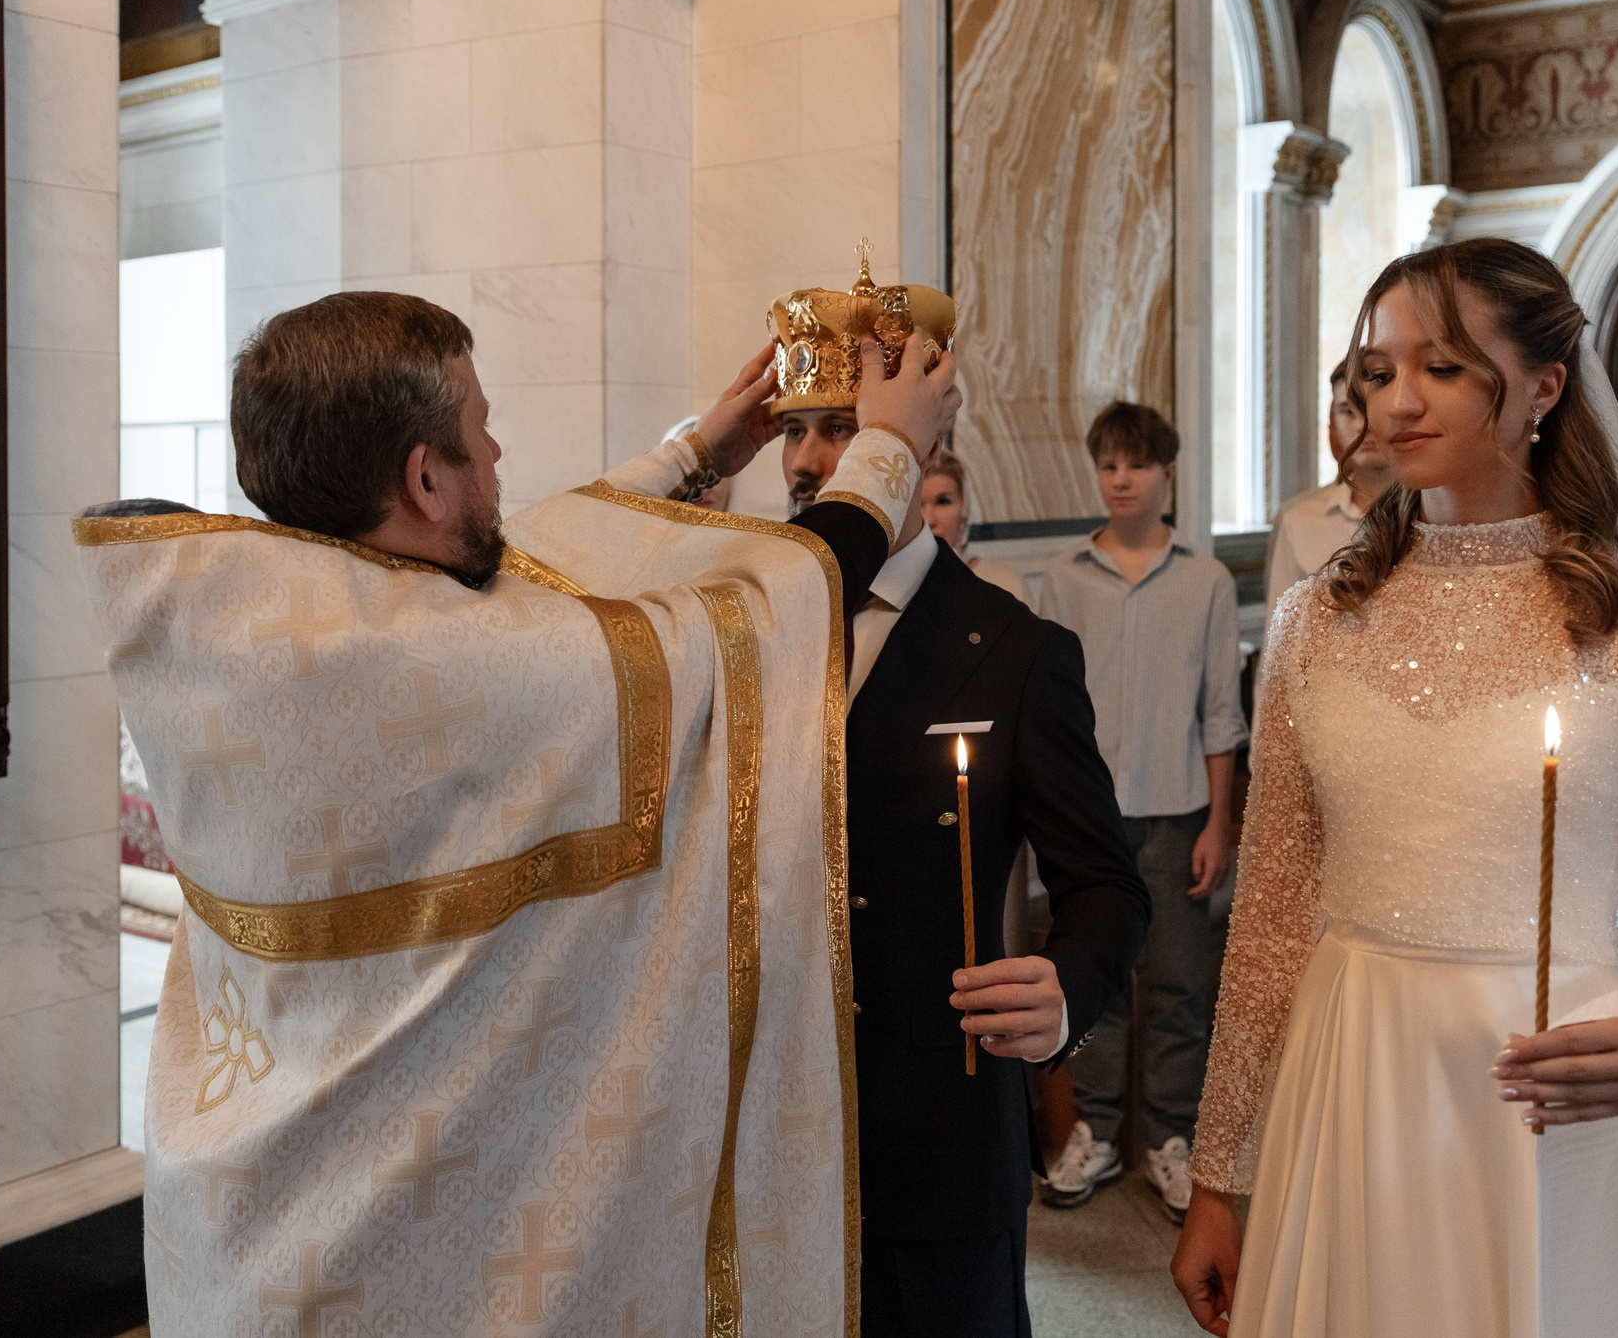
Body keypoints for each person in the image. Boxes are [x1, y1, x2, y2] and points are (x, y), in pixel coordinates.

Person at [78, 290, 960, 1338]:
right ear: (422, 475)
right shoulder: (478, 670)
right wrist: (891, 449)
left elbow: (531, 542)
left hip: (246, 1235)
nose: (498, 453)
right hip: (405, 1259)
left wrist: (696, 451)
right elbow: (742, 623)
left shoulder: (251, 620)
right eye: (481, 428)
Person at [1173, 239, 1618, 1338]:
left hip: (1541, 1078)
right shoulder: (1314, 619)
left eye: (1441, 367)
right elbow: (1266, 917)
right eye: (1376, 368)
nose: (1394, 401)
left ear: (1543, 384)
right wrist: (1220, 1170)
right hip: (1347, 1065)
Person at [766, 306, 1147, 1338]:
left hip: (936, 1121)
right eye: (793, 430)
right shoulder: (750, 629)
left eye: (840, 428)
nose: (806, 461)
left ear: (915, 442)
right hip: (766, 1126)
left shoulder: (1015, 650)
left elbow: (1107, 885)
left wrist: (1063, 986)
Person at [1037, 401, 1246, 1223]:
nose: (1120, 478)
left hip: (1177, 811)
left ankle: (1170, 1138)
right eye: (1108, 464)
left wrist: (1220, 823)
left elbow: (1221, 713)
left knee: (1177, 988)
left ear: (1167, 474)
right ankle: (1093, 1132)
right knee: (1093, 987)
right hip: (1087, 819)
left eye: (1137, 463)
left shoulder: (1206, 580)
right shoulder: (1063, 579)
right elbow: (1046, 715)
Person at [1263, 360, 1397, 601]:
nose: (1361, 425)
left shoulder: (1440, 513)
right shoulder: (1299, 518)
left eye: (1372, 407)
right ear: (1334, 421)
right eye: (1348, 410)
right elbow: (1280, 632)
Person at [917, 451, 1027, 601]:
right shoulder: (891, 587)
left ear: (964, 506)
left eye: (943, 502)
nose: (929, 520)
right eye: (917, 504)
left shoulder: (1004, 584)